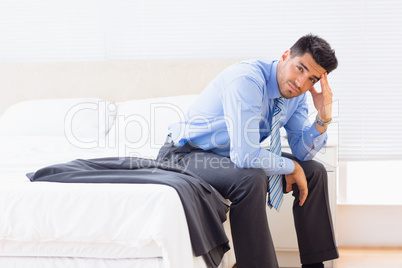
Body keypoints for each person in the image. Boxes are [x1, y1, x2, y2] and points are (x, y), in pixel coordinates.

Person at [157, 34, 339, 268]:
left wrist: (323, 119)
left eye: (311, 79)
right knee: (251, 177)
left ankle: (315, 266)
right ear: (286, 56)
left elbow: (302, 154)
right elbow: (245, 156)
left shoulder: (296, 96)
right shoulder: (247, 79)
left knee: (314, 171)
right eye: (300, 68)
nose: (302, 82)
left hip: (226, 157)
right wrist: (291, 166)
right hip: (184, 154)